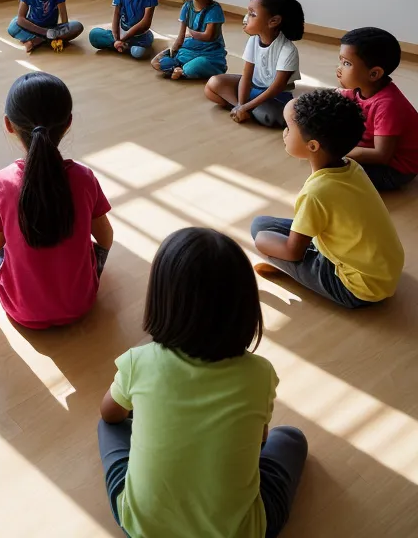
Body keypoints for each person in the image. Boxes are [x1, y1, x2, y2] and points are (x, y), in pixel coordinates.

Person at [98, 228, 307, 538]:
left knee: (109, 426)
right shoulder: (260, 373)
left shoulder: (138, 361)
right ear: (245, 307)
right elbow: (261, 440)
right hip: (239, 532)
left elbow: (109, 413)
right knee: (291, 437)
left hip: (144, 529)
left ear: (161, 301)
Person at [0, 72, 113, 328]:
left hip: (22, 311)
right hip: (80, 304)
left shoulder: (2, 181)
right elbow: (106, 239)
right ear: (68, 122)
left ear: (9, 125)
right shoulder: (84, 178)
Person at [252, 89, 404, 308]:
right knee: (261, 225)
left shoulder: (316, 193)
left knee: (261, 236)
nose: (284, 132)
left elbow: (293, 252)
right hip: (381, 269)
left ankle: (297, 274)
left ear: (313, 146)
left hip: (358, 288)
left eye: (289, 128)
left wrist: (260, 244)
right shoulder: (352, 166)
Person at [205, 0, 305, 127]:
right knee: (213, 85)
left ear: (273, 21)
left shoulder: (288, 50)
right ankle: (242, 110)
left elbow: (276, 88)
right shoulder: (253, 41)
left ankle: (245, 110)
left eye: (252, 14)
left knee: (270, 115)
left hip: (275, 96)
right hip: (254, 87)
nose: (246, 18)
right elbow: (246, 77)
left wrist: (245, 106)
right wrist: (241, 104)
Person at [336, 27, 418, 191]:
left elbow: (381, 155)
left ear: (374, 74)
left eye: (347, 63)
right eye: (341, 61)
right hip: (371, 152)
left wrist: (336, 152)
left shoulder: (388, 105)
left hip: (394, 169)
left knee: (332, 173)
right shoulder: (358, 90)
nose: (339, 69)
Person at [151, 0, 227, 80]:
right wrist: (174, 50)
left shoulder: (214, 10)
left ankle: (182, 70)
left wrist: (191, 33)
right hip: (188, 52)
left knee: (196, 66)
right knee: (159, 63)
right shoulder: (187, 7)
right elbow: (181, 36)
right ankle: (178, 69)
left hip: (209, 55)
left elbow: (209, 36)